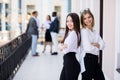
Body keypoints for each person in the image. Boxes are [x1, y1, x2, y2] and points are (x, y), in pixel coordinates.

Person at [80, 8, 105, 80]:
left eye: (89, 17)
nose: (87, 20)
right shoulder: (84, 31)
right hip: (87, 60)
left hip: (95, 60)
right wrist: (98, 46)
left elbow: (103, 44)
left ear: (92, 17)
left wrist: (97, 44)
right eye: (85, 18)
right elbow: (88, 49)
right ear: (82, 21)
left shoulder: (95, 31)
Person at [59, 13, 81, 80]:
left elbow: (66, 50)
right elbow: (61, 45)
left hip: (71, 63)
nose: (69, 23)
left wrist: (62, 47)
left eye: (71, 21)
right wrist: (62, 46)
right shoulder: (69, 32)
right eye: (67, 21)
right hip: (68, 63)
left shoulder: (74, 33)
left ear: (76, 21)